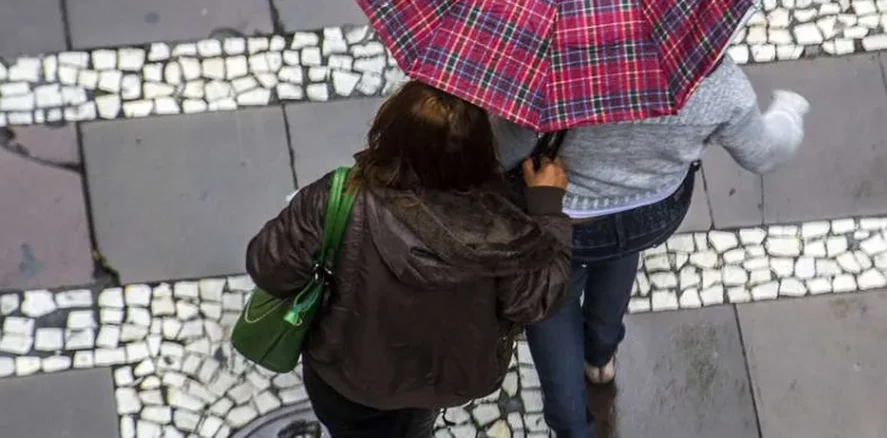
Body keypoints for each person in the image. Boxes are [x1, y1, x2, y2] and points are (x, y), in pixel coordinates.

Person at [494, 57, 810, 438]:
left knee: (552, 300)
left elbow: (503, 151)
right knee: (620, 257)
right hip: (649, 211)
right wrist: (790, 110)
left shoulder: (547, 67)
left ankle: (572, 426)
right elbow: (764, 153)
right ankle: (599, 356)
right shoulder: (710, 79)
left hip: (561, 214)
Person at [246, 81, 573, 438]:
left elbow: (269, 267)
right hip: (436, 381)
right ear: (482, 150)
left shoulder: (338, 198)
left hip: (344, 375)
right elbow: (535, 301)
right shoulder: (505, 229)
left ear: (388, 133)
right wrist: (546, 208)